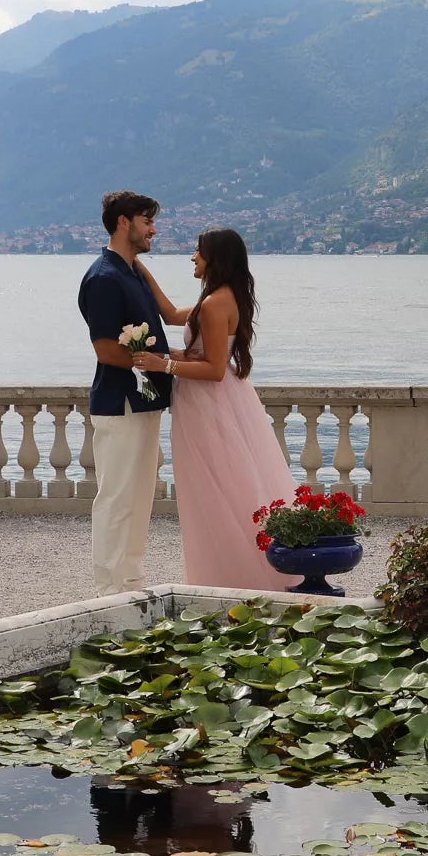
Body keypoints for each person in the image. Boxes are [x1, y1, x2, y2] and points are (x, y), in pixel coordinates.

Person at [130, 227, 301, 592]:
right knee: (230, 487)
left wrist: (165, 366)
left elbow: (214, 369)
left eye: (198, 251)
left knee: (214, 492)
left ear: (215, 258)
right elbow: (174, 314)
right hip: (221, 404)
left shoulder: (213, 303)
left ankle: (225, 579)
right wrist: (140, 269)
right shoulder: (222, 297)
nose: (193, 256)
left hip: (209, 407)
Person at [77, 191, 172, 594]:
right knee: (116, 497)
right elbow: (103, 348)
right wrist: (150, 360)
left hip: (144, 401)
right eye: (146, 221)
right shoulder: (103, 278)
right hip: (119, 404)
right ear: (123, 223)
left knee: (139, 498)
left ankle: (131, 580)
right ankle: (108, 590)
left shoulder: (131, 272)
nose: (153, 229)